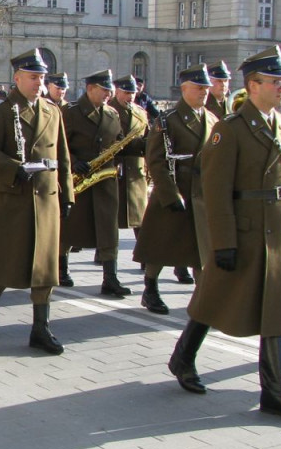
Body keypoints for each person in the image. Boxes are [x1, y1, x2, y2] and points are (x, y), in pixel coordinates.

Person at [169, 46, 281, 423]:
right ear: (253, 85)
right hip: (243, 230)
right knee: (215, 297)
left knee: (277, 311)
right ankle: (184, 356)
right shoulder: (228, 130)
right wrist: (224, 242)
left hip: (276, 230)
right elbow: (214, 190)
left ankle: (274, 392)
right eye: (276, 82)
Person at [0, 49, 73, 353]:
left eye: (41, 77)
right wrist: (12, 169)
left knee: (45, 267)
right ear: (17, 78)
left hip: (46, 199)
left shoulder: (53, 110)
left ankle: (40, 328)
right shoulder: (1, 111)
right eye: (33, 77)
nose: (38, 82)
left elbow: (63, 157)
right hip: (13, 198)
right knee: (5, 262)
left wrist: (67, 194)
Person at [132, 65, 216, 314]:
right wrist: (170, 194)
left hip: (201, 193)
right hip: (174, 190)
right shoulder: (168, 120)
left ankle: (204, 297)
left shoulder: (211, 119)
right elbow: (156, 160)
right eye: (199, 87)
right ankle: (150, 288)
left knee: (200, 247)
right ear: (184, 88)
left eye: (206, 88)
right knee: (161, 245)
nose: (204, 92)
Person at [60, 69, 134, 297]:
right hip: (79, 181)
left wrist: (144, 143)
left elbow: (120, 143)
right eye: (104, 90)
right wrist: (74, 162)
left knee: (109, 231)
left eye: (109, 90)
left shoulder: (111, 114)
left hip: (105, 181)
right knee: (70, 228)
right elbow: (57, 143)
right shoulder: (70, 112)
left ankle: (110, 278)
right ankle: (61, 269)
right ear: (90, 88)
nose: (108, 94)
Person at [109, 74, 150, 265]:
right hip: (115, 170)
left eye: (133, 93)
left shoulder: (141, 112)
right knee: (110, 219)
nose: (130, 96)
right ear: (117, 91)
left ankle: (145, 258)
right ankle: (107, 257)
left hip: (136, 173)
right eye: (126, 92)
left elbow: (148, 138)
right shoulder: (108, 110)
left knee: (141, 220)